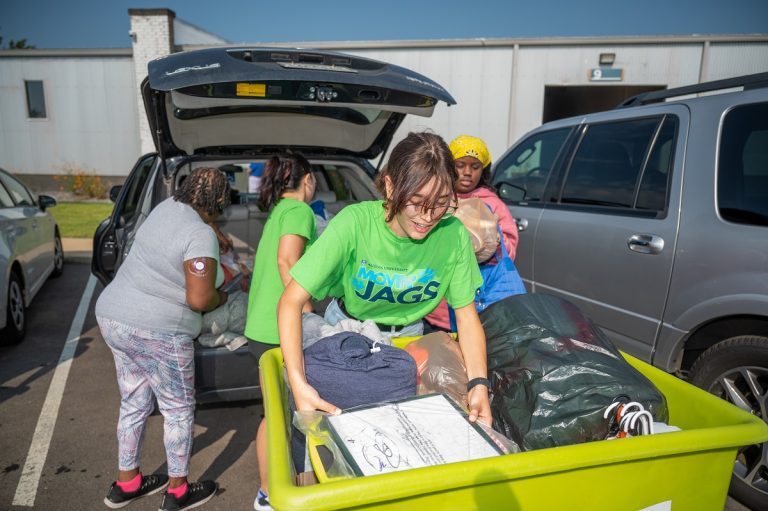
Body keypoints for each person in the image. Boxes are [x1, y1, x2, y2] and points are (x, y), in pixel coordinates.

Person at [266, 132, 492, 504]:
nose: (428, 217)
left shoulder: (452, 235)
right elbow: (290, 302)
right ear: (389, 186)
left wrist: (479, 383)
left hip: (408, 343)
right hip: (345, 334)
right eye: (417, 202)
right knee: (325, 455)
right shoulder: (355, 223)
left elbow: (466, 316)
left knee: (395, 453)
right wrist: (299, 383)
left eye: (441, 203)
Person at [95, 167, 230, 511]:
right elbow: (199, 299)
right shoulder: (199, 234)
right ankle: (178, 492)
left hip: (114, 317)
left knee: (134, 401)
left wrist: (212, 233)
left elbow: (185, 234)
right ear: (217, 202)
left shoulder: (166, 208)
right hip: (158, 330)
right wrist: (222, 296)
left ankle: (127, 483)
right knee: (178, 409)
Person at [243, 153, 316, 511]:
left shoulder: (279, 211)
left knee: (273, 414)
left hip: (260, 328)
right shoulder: (300, 210)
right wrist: (305, 308)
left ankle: (267, 492)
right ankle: (283, 493)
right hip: (279, 329)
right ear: (308, 179)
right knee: (291, 415)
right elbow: (287, 260)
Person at [425, 134, 519, 331]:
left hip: (480, 301)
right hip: (437, 306)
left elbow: (509, 249)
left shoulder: (492, 204)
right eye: (460, 165)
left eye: (475, 167)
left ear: (483, 170)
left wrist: (491, 242)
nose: (467, 172)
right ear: (448, 166)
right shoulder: (437, 198)